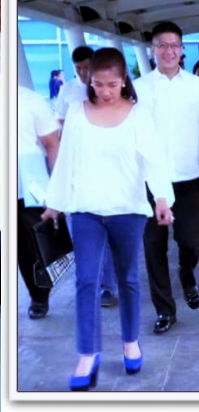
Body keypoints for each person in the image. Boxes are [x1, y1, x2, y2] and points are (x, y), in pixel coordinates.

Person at [41, 48, 174, 391]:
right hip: (85, 209)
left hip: (128, 210)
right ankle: (87, 354)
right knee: (86, 281)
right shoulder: (76, 111)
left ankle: (130, 341)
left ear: (124, 80)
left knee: (128, 278)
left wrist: (162, 199)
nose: (105, 91)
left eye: (112, 84)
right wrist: (54, 203)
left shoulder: (138, 114)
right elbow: (66, 160)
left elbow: (155, 160)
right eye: (98, 84)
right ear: (89, 81)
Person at [133, 21, 199, 334]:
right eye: (162, 45)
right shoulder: (138, 88)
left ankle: (186, 270)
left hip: (188, 178)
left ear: (182, 50)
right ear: (152, 50)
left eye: (174, 46)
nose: (168, 51)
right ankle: (165, 310)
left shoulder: (198, 87)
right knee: (153, 245)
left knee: (191, 240)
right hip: (149, 181)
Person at [54, 45, 117, 308]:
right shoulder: (67, 91)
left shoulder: (108, 89)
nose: (82, 72)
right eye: (78, 68)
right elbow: (59, 124)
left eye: (86, 67)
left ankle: (108, 286)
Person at [17, 85, 60, 320]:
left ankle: (39, 296)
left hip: (28, 182)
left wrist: (55, 187)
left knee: (31, 247)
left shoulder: (30, 100)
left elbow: (52, 143)